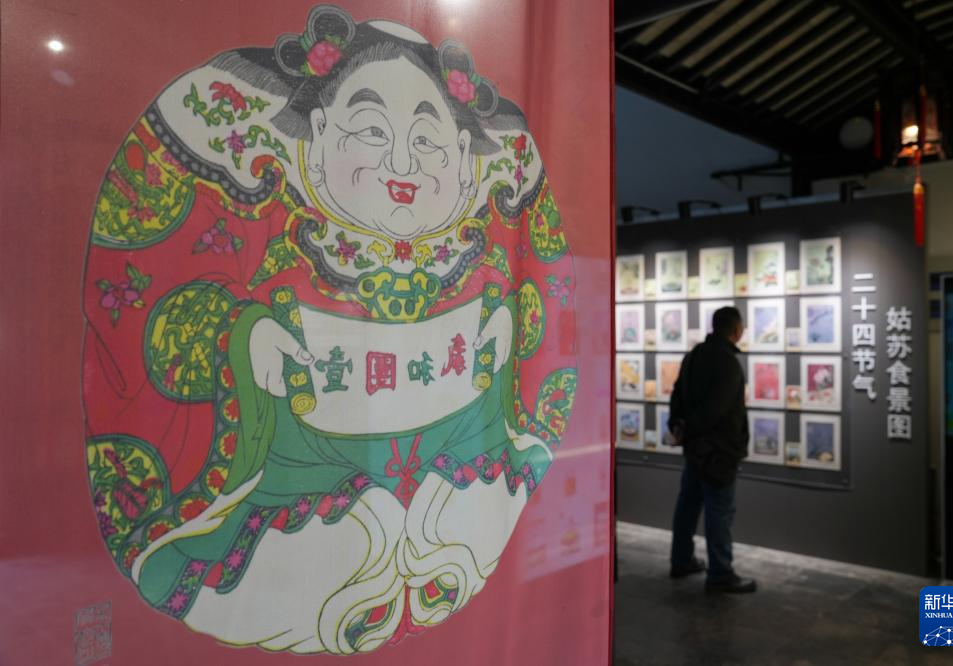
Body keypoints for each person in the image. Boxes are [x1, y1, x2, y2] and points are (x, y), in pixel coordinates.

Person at [82, 5, 577, 655]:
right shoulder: (277, 242)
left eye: (427, 141)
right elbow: (159, 302)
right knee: (310, 551)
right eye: (370, 131)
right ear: (317, 135)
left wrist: (510, 323)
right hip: (304, 474)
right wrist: (245, 337)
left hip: (457, 460)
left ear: (463, 156)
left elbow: (547, 314)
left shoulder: (483, 256)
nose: (402, 163)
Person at [668, 306, 756, 593]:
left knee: (688, 506)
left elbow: (677, 394)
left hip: (694, 448)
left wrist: (679, 427)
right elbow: (716, 409)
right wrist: (694, 427)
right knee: (719, 511)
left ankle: (681, 560)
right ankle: (720, 572)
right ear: (736, 330)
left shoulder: (694, 355)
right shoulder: (728, 363)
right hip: (719, 451)